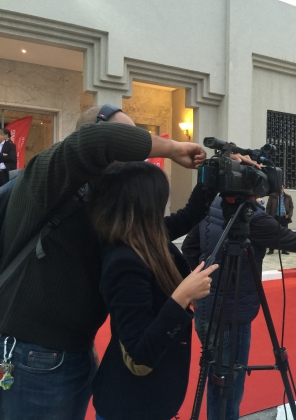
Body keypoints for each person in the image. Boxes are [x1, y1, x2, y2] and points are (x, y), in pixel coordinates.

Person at [0, 104, 207, 420]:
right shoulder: (48, 176)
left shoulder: (99, 194)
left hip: (73, 351)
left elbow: (149, 231)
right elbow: (99, 140)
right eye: (127, 137)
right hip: (34, 353)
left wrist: (212, 180)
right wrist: (173, 148)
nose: (133, 149)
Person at [182, 196, 296, 420]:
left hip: (204, 309)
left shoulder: (209, 205)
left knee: (216, 377)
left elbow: (189, 247)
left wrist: (203, 283)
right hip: (232, 315)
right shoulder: (252, 217)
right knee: (228, 387)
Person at [89, 162, 218, 420]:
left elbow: (189, 215)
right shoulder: (124, 261)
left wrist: (214, 171)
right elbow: (140, 353)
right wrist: (182, 296)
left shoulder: (144, 236)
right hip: (130, 404)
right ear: (146, 204)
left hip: (151, 399)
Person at [266, 184, 294, 255]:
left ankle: (284, 249)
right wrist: (268, 217)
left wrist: (289, 215)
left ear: (284, 188)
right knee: (273, 233)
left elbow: (291, 207)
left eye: (282, 187)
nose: (281, 189)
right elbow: (268, 208)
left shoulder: (288, 197)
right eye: (279, 187)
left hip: (284, 218)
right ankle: (271, 249)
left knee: (285, 234)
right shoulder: (272, 197)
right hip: (275, 217)